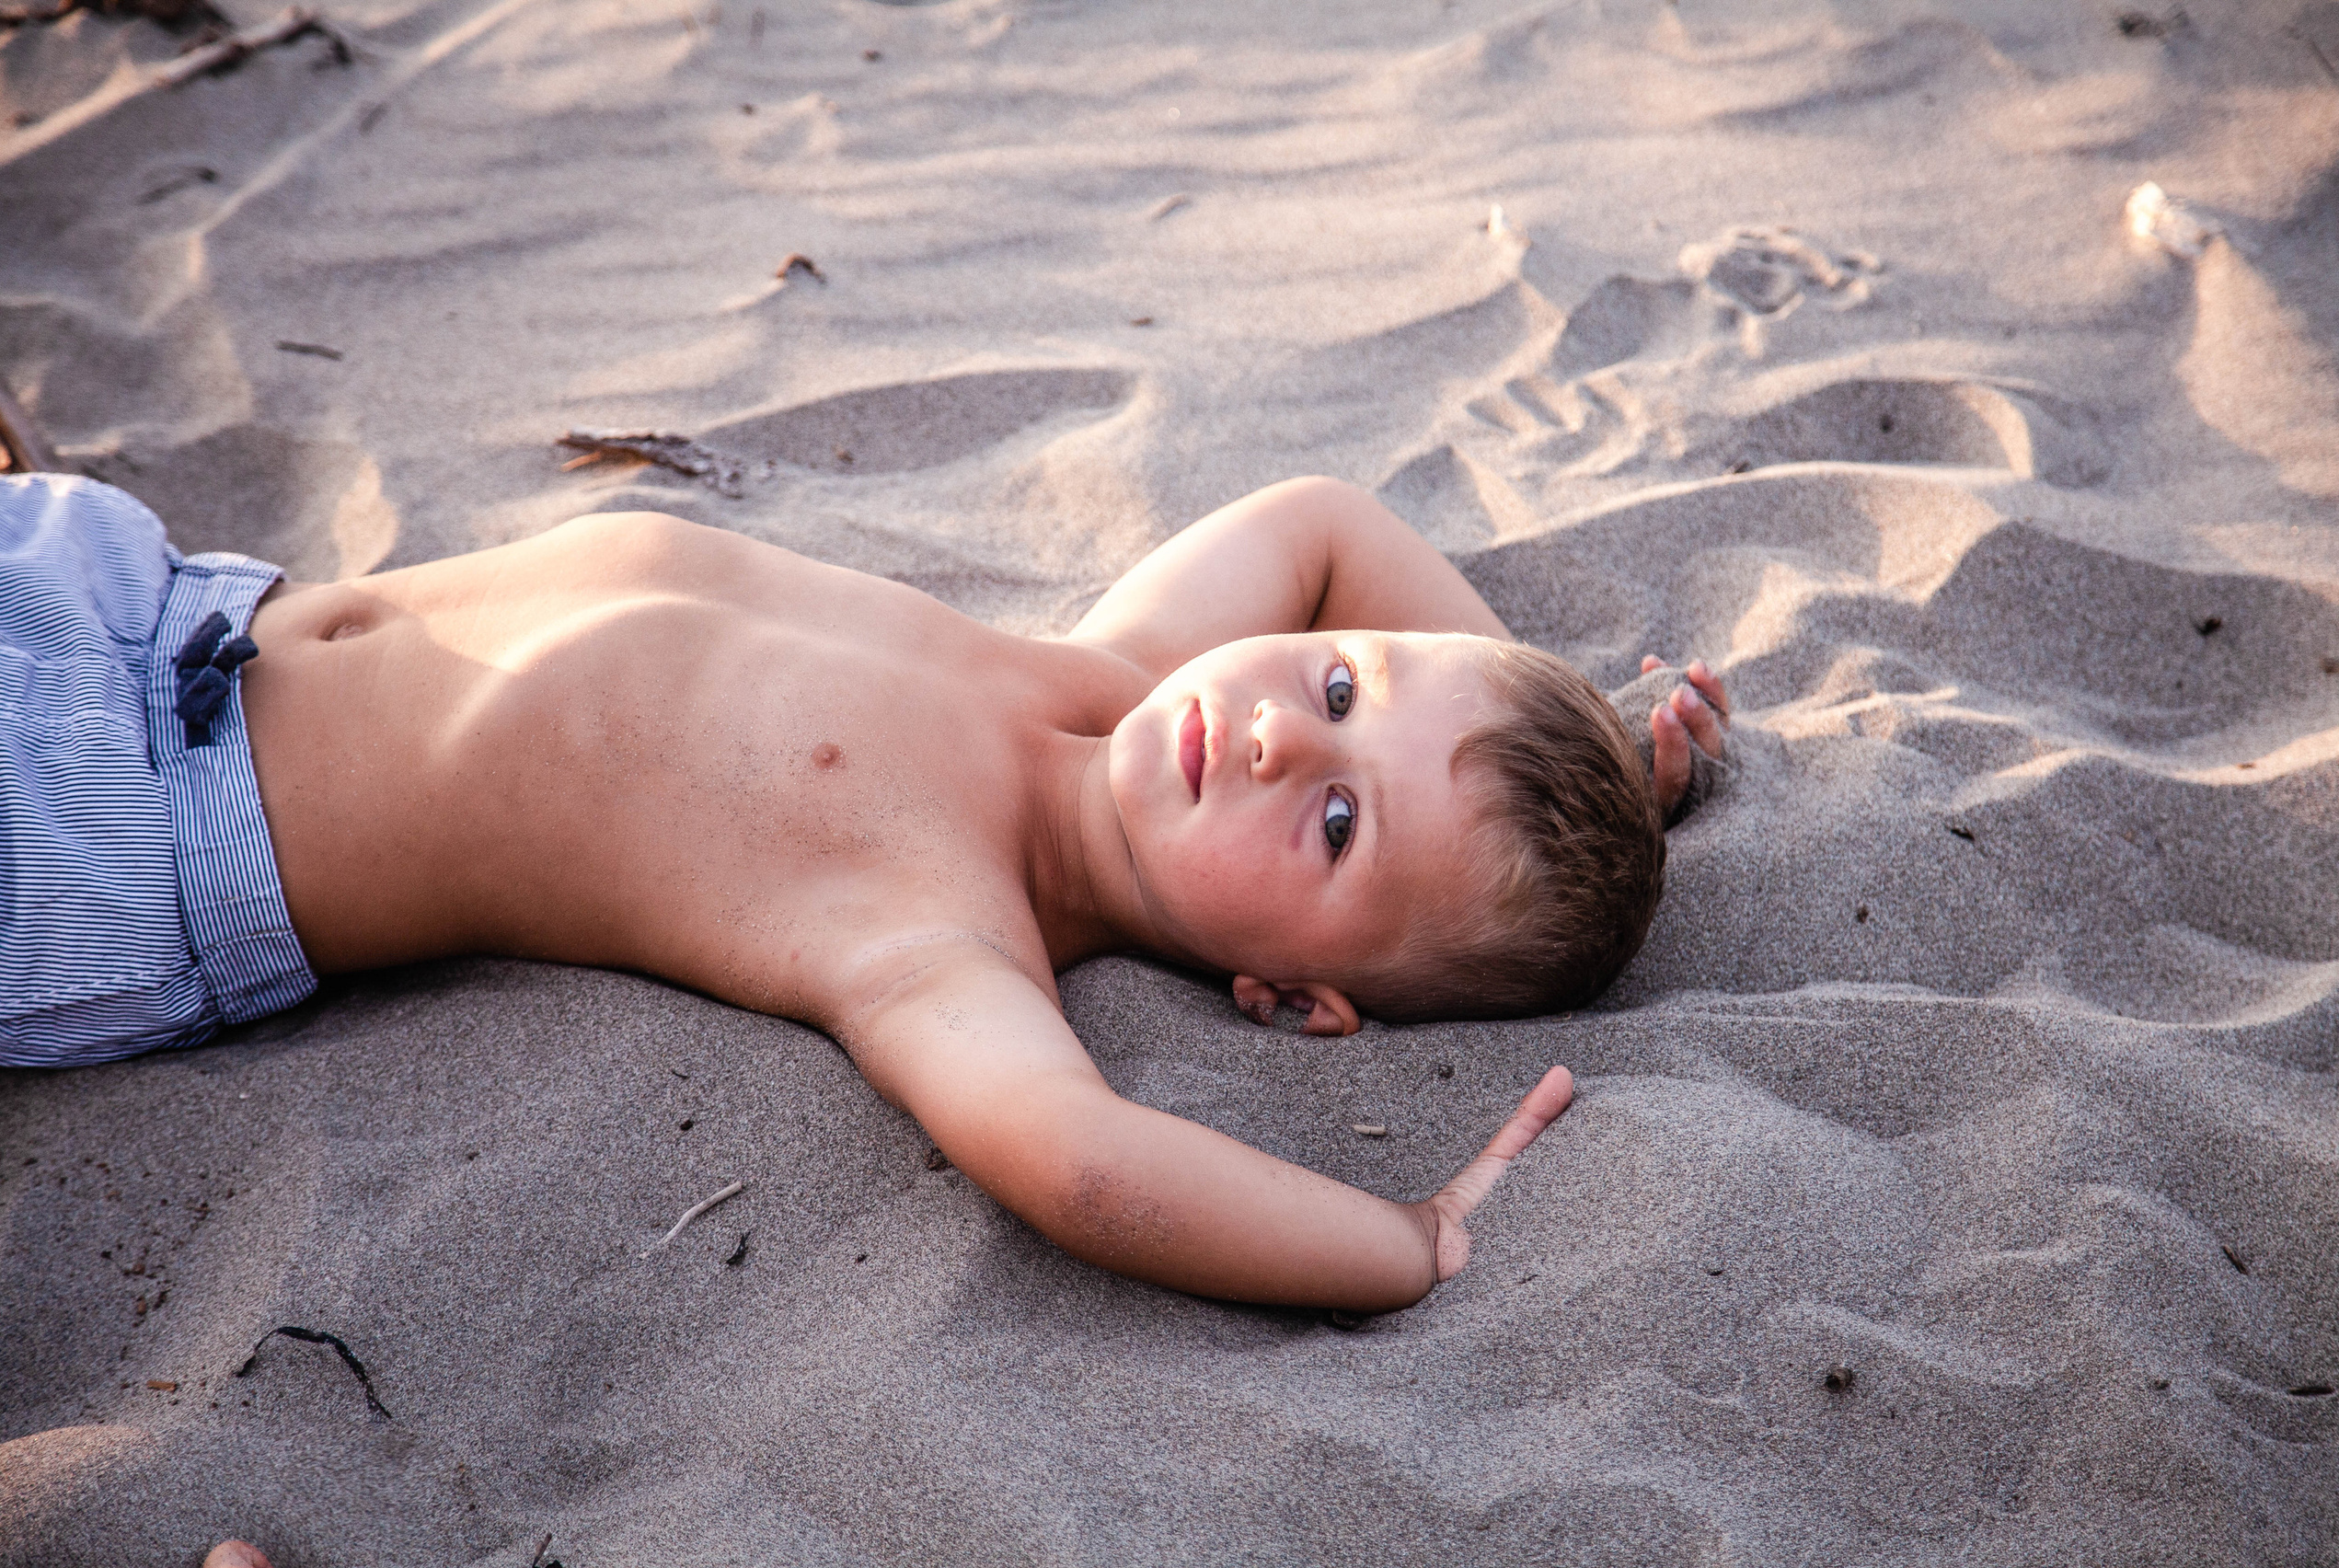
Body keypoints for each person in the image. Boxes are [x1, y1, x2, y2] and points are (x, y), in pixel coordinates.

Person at [2, 470, 1730, 1313]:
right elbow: (1328, 521)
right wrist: (1562, 731)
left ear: (1288, 1002)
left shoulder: (934, 936)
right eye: (1342, 690)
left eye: (1341, 832)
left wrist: (1411, 1244)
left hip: (120, 828)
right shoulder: (1110, 663)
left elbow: (1087, 1168)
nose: (1280, 740)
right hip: (144, 588)